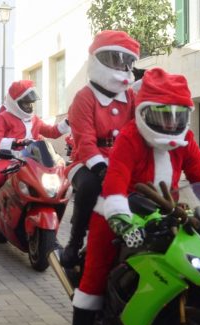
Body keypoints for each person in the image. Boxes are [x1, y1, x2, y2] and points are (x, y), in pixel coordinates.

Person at [65, 68, 200, 325]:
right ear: (143, 112)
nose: (169, 123)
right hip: (117, 212)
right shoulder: (131, 136)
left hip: (166, 212)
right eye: (161, 115)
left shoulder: (185, 139)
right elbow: (115, 184)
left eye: (177, 115)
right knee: (94, 274)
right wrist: (122, 221)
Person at [60, 30, 141, 268]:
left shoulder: (130, 96)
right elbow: (84, 139)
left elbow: (139, 128)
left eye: (126, 61)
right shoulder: (84, 97)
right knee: (89, 186)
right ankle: (75, 242)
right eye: (115, 59)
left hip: (122, 160)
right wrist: (100, 167)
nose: (121, 66)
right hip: (87, 162)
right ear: (98, 59)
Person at [0, 79, 71, 200]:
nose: (30, 106)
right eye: (26, 103)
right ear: (15, 102)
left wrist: (68, 122)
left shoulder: (34, 119)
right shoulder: (1, 118)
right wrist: (16, 142)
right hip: (9, 158)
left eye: (31, 103)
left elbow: (52, 132)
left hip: (32, 160)